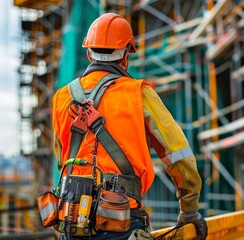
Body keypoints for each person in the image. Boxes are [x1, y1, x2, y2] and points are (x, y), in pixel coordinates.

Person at [51, 13, 208, 239]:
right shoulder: (139, 93)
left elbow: (63, 164)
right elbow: (179, 156)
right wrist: (189, 209)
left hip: (73, 220)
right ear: (125, 56)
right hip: (120, 221)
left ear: (88, 54)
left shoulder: (61, 98)